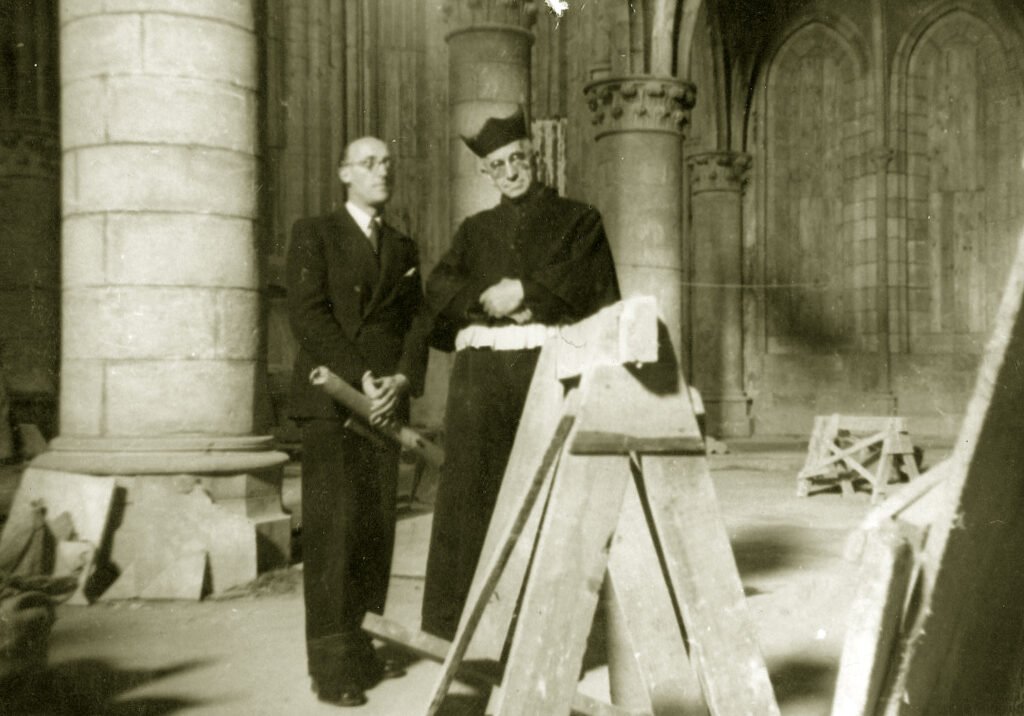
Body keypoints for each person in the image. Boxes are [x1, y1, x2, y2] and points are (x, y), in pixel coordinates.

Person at [420, 107, 620, 640]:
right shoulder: (473, 231)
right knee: (472, 499)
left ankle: (544, 635)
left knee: (548, 497)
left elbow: (593, 287)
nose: (510, 172)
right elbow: (439, 291)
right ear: (485, 172)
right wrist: (490, 302)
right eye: (497, 165)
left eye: (517, 159)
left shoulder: (580, 220)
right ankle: (462, 635)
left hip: (547, 373)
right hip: (481, 382)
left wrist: (527, 291)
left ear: (535, 156)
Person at [286, 136, 428, 707]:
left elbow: (416, 323)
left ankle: (362, 647)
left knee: (374, 535)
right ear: (345, 173)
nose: (381, 171)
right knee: (332, 538)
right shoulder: (314, 233)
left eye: (387, 163)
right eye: (368, 163)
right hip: (333, 403)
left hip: (385, 406)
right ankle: (331, 668)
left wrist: (402, 379)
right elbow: (307, 315)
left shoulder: (403, 245)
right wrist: (360, 375)